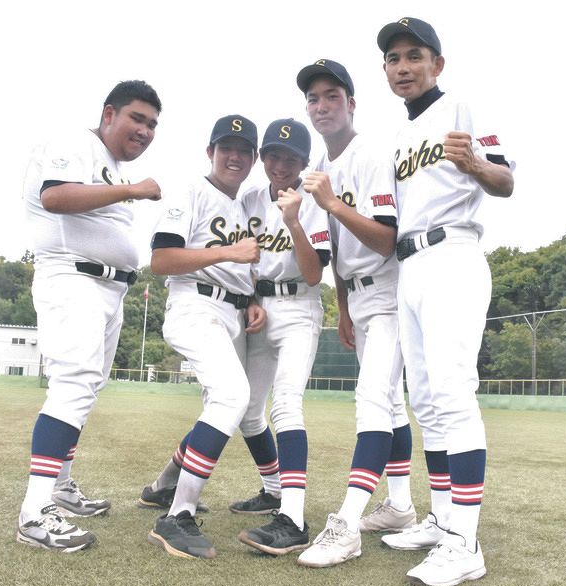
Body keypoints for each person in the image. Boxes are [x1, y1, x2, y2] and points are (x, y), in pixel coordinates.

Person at [376, 18, 514, 586]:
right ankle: (442, 518)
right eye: (393, 58)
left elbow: (506, 180)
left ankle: (465, 542)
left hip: (453, 254)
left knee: (454, 395)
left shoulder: (462, 106)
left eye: (414, 56)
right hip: (410, 267)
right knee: (427, 401)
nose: (403, 67)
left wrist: (476, 165)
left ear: (437, 63)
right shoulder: (397, 135)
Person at [18, 80, 163, 552]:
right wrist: (132, 189)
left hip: (107, 289)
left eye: (152, 125)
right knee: (73, 385)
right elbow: (55, 196)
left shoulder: (110, 162)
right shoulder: (75, 143)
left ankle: (59, 487)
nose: (145, 131)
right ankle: (34, 512)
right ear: (108, 114)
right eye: (137, 119)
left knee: (86, 389)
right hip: (71, 277)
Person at [293, 59, 415, 568]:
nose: (321, 107)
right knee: (387, 405)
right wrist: (342, 307)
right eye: (313, 99)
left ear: (351, 103)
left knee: (371, 400)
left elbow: (385, 239)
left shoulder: (369, 153)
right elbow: (333, 255)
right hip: (359, 297)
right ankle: (402, 505)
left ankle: (346, 523)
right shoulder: (324, 166)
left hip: (390, 290)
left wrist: (334, 204)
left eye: (331, 96)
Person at [146, 114, 266, 559]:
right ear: (210, 151)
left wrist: (251, 296)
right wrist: (228, 252)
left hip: (233, 310)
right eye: (225, 147)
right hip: (195, 304)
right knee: (233, 396)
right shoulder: (191, 191)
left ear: (253, 158)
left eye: (243, 149)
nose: (233, 155)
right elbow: (161, 259)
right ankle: (177, 514)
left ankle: (163, 486)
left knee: (223, 405)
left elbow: (242, 269)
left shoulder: (249, 204)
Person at [232, 118, 331, 555]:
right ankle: (272, 489)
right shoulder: (249, 198)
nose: (280, 164)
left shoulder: (313, 200)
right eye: (272, 154)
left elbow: (314, 273)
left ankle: (292, 516)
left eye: (290, 157)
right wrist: (251, 296)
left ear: (303, 162)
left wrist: (294, 222)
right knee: (248, 411)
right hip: (259, 309)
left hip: (299, 307)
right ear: (262, 157)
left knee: (286, 404)